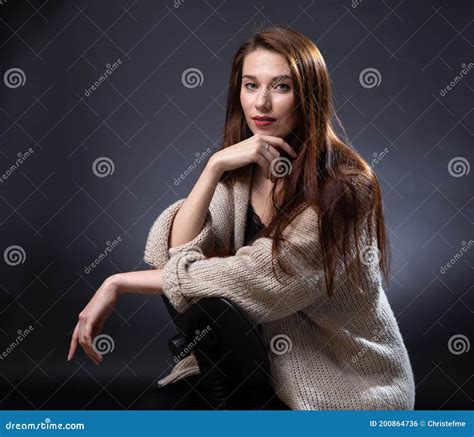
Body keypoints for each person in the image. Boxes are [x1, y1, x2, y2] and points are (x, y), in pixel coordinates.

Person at [67, 26, 416, 410]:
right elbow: (175, 254)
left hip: (342, 388)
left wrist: (119, 282)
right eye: (251, 85)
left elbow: (263, 277)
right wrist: (213, 167)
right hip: (253, 368)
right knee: (155, 412)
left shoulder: (346, 188)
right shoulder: (241, 174)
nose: (261, 103)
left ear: (308, 96)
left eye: (281, 87)